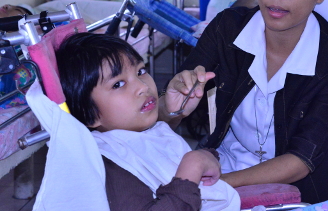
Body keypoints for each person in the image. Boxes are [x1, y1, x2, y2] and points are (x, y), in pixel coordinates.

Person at [165, 0, 328, 204]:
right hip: (222, 163)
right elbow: (165, 112)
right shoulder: (227, 29)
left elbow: (301, 159)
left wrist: (217, 185)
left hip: (298, 188)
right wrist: (171, 106)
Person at [52, 32, 239, 211]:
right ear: (89, 115)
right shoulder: (112, 164)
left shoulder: (141, 132)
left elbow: (171, 158)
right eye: (118, 84)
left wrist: (207, 157)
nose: (143, 86)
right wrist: (193, 167)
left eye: (140, 71)